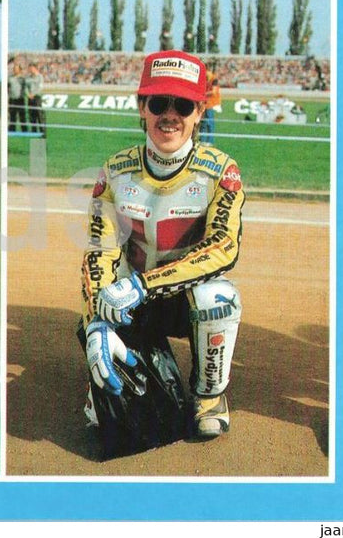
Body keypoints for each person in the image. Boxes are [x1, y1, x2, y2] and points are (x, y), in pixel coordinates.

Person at [80, 50, 245, 439]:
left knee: (218, 296)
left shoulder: (222, 172)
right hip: (130, 304)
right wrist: (96, 322)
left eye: (183, 105)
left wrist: (143, 285)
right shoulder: (115, 171)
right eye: (158, 103)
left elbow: (224, 248)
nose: (170, 115)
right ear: (141, 107)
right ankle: (111, 360)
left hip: (178, 301)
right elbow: (98, 251)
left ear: (200, 112)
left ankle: (209, 395)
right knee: (102, 416)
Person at [199, 70, 221, 143]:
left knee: (210, 123)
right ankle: (202, 140)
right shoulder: (205, 78)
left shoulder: (214, 79)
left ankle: (210, 141)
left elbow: (213, 92)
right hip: (203, 103)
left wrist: (203, 94)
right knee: (203, 122)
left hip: (210, 104)